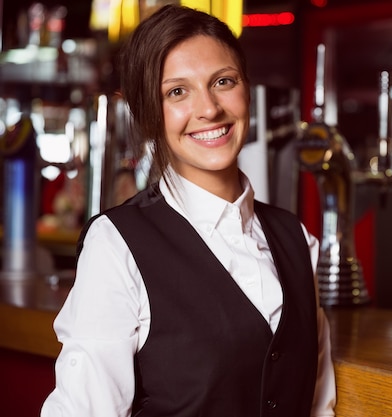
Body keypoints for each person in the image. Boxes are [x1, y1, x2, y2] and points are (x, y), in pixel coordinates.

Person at [40, 5, 337, 416]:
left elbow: (318, 404)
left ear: (247, 90)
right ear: (150, 114)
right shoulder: (117, 244)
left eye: (223, 81)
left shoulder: (297, 239)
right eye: (177, 91)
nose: (209, 109)